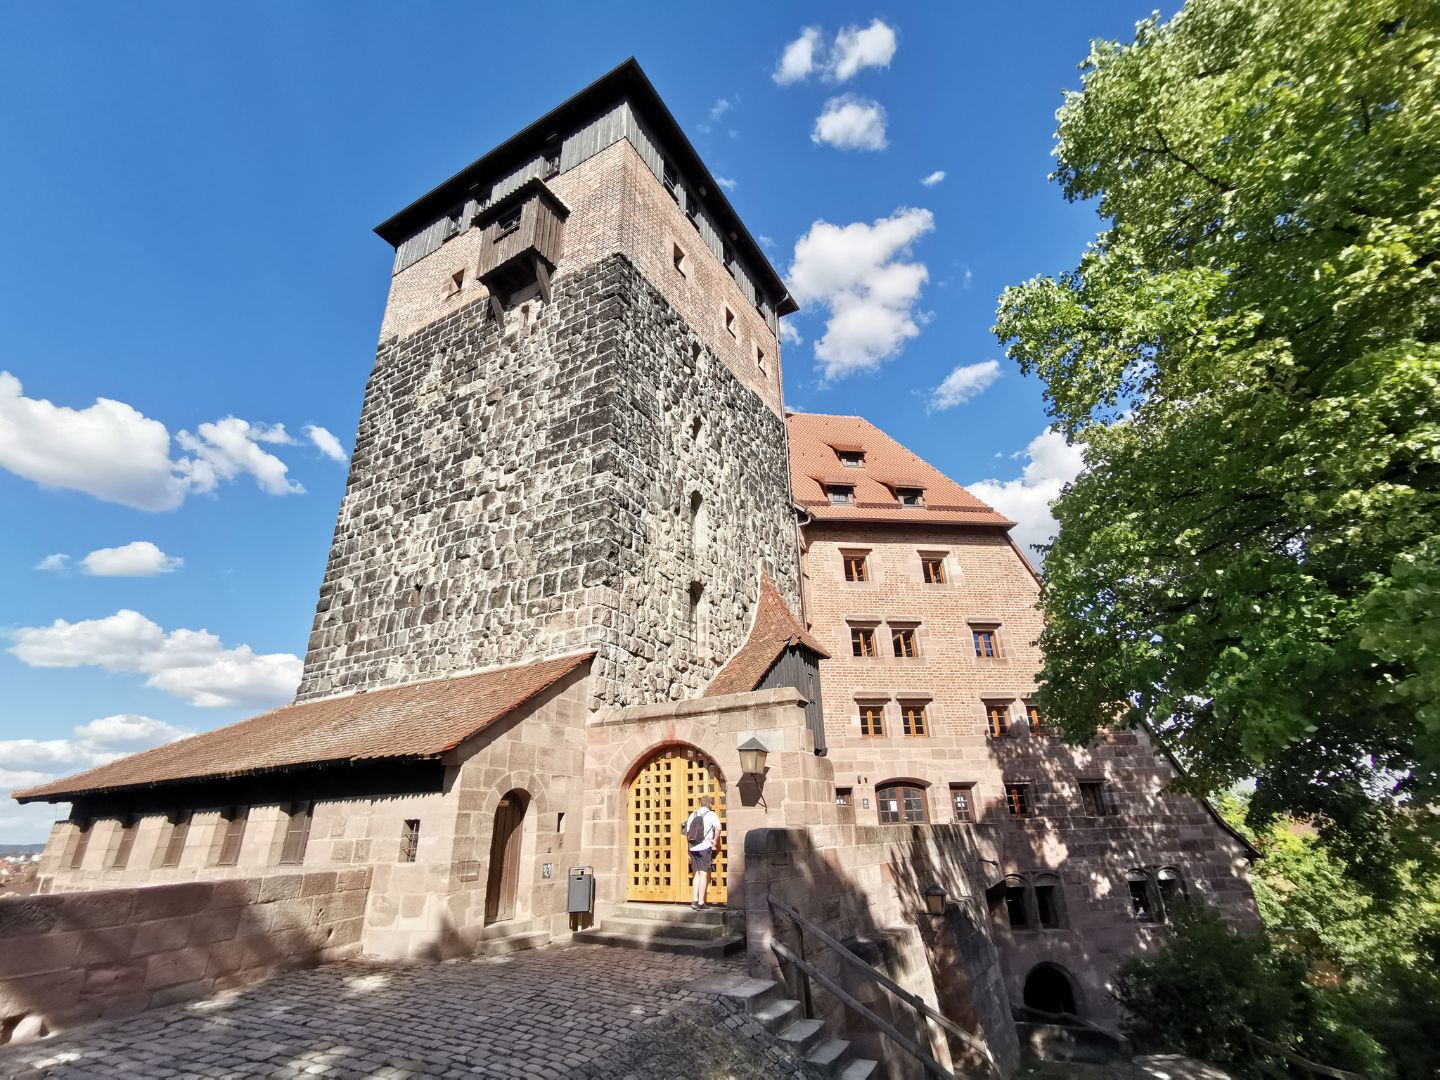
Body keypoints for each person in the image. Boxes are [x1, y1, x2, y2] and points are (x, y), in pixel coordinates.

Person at [681, 795, 721, 910]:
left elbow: (686, 833)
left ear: (700, 804)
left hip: (693, 847)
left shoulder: (692, 814)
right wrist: (715, 841)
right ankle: (701, 902)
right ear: (710, 804)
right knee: (703, 873)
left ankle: (694, 901)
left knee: (696, 874)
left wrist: (688, 850)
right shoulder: (711, 814)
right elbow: (718, 828)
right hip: (705, 846)